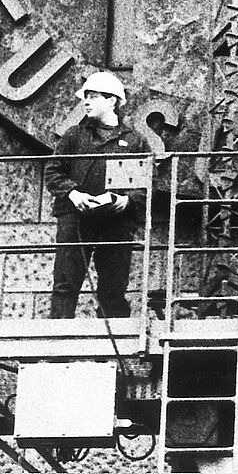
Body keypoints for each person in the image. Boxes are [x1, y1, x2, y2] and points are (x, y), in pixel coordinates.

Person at [44, 71, 154, 319]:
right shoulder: (73, 136)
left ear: (112, 100)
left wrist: (126, 200)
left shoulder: (135, 142)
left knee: (114, 287)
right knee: (65, 283)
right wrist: (73, 194)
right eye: (86, 97)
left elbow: (146, 184)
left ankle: (112, 352)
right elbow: (53, 171)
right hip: (76, 218)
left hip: (116, 222)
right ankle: (56, 350)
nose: (86, 102)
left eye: (93, 96)